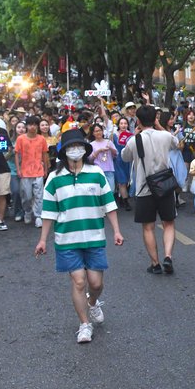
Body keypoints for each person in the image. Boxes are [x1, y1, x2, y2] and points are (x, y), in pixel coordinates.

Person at [35, 129, 124, 344]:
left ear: (85, 150)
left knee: (95, 284)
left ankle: (92, 303)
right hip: (66, 239)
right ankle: (84, 324)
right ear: (64, 152)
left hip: (94, 236)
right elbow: (49, 212)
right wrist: (42, 239)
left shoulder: (96, 173)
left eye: (79, 146)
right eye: (70, 147)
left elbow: (109, 204)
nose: (75, 150)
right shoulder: (54, 179)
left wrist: (117, 230)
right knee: (78, 281)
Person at [121, 105, 179, 275]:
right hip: (165, 187)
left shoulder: (135, 140)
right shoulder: (165, 136)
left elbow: (125, 157)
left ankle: (155, 263)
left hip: (144, 188)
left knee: (148, 227)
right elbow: (176, 144)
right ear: (155, 119)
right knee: (168, 223)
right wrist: (160, 126)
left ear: (137, 120)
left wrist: (134, 135)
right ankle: (168, 256)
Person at [15, 116, 50, 227]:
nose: (33, 127)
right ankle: (28, 211)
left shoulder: (41, 139)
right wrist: (18, 169)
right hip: (25, 171)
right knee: (27, 196)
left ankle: (38, 215)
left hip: (38, 170)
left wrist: (45, 169)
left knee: (39, 195)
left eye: (35, 124)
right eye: (30, 124)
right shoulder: (21, 139)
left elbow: (45, 154)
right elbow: (17, 154)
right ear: (27, 126)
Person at [89, 123, 119, 196]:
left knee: (111, 190)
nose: (98, 132)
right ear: (93, 133)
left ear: (102, 131)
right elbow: (90, 159)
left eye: (99, 130)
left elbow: (116, 154)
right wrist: (99, 151)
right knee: (100, 192)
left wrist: (110, 148)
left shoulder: (108, 142)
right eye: (96, 131)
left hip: (109, 169)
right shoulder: (91, 144)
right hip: (98, 171)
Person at [113, 117, 134, 211]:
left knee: (127, 181)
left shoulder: (130, 135)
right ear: (118, 125)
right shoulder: (113, 135)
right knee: (122, 181)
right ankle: (126, 202)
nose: (123, 125)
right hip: (117, 160)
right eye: (121, 123)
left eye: (125, 123)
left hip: (128, 160)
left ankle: (122, 198)